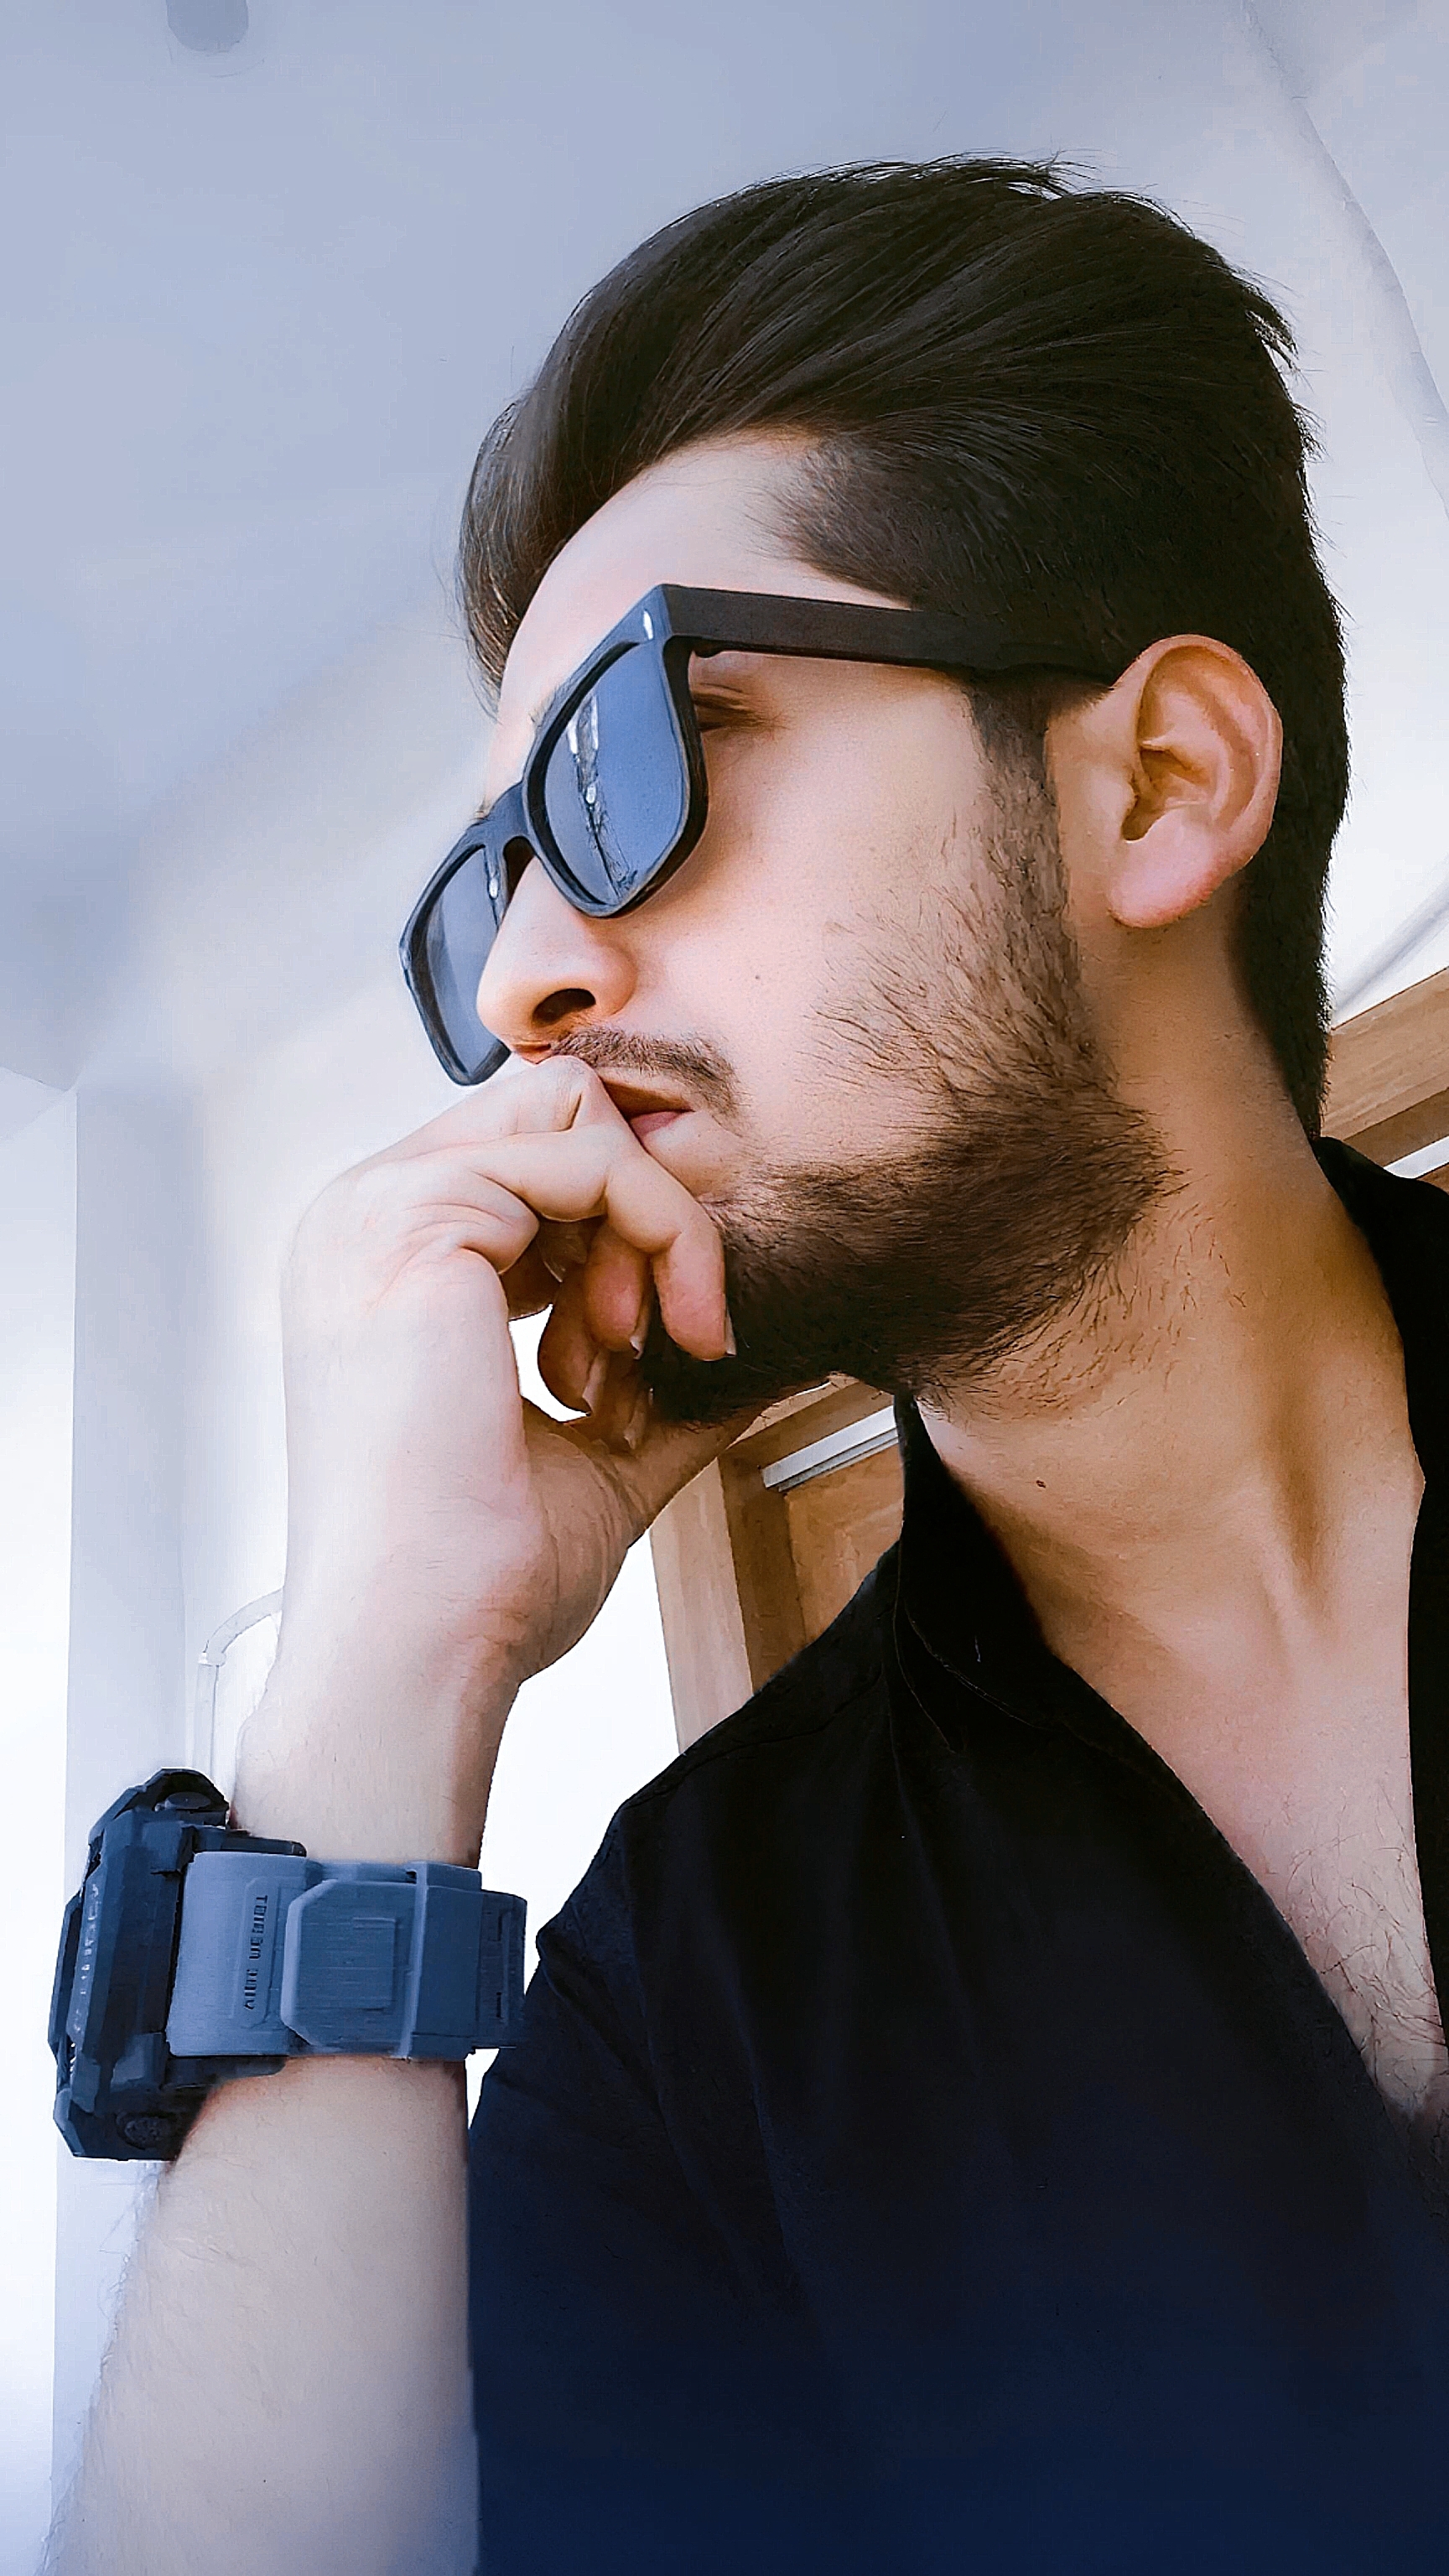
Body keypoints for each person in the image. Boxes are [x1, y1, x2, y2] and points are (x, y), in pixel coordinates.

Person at [50, 157, 1449, 2575]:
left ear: (1158, 783)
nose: (526, 983)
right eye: (493, 890)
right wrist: (387, 1667)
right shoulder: (691, 2002)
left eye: (646, 752)